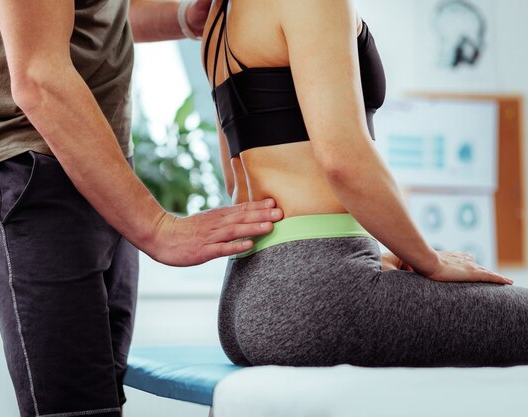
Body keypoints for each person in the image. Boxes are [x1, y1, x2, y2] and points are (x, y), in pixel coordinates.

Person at [0, 1, 284, 416]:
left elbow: (83, 16)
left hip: (98, 158)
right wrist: (158, 228)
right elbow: (38, 78)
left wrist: (180, 18)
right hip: (34, 160)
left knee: (100, 392)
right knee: (77, 405)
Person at [202, 0, 528, 367]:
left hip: (245, 293)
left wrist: (379, 253)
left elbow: (234, 173)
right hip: (317, 293)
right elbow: (344, 161)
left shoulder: (218, 16)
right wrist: (430, 262)